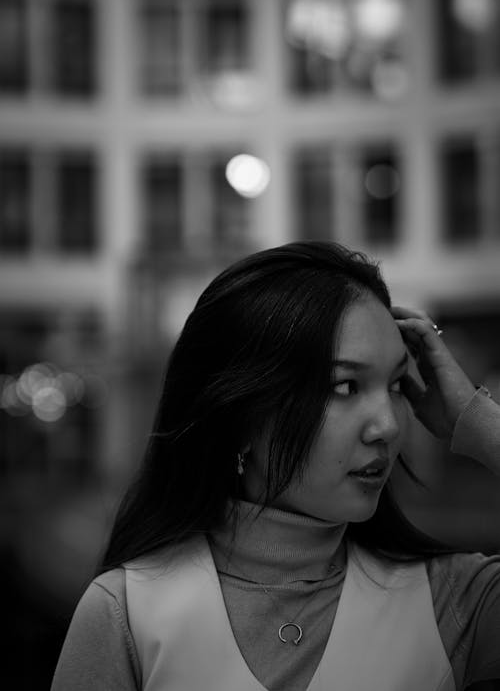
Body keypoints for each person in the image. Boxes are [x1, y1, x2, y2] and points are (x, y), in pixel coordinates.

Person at [51, 241, 500, 691]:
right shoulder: (126, 612)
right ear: (241, 414)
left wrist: (474, 419)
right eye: (346, 387)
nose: (386, 425)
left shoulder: (455, 601)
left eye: (397, 384)